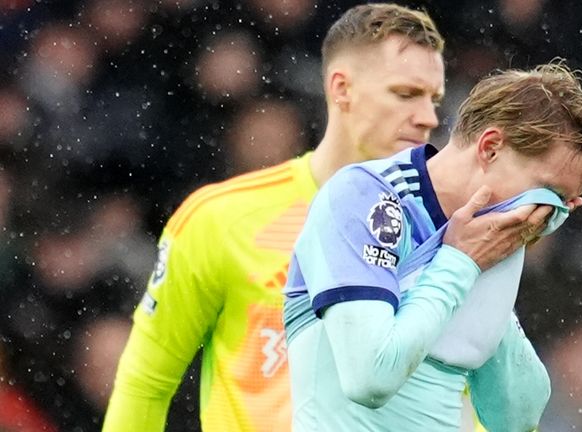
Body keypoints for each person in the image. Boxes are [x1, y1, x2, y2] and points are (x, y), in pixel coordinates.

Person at [102, 4, 447, 431]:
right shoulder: (222, 219)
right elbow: (146, 382)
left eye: (434, 100)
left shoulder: (444, 232)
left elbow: (467, 397)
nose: (428, 118)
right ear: (342, 89)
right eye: (406, 94)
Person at [283, 62, 582, 431]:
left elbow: (516, 418)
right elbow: (370, 377)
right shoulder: (364, 197)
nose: (544, 218)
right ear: (490, 148)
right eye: (547, 195)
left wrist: (477, 272)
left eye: (563, 208)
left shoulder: (484, 243)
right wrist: (460, 262)